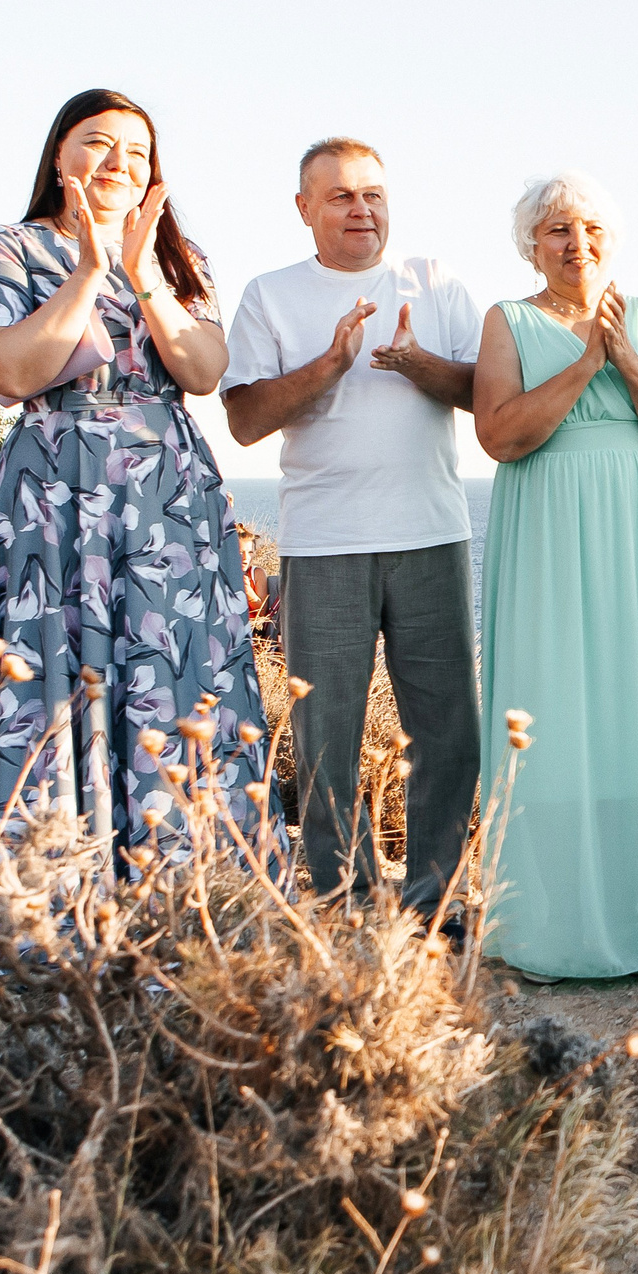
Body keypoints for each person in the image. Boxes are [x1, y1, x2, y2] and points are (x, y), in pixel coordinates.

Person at [0, 89, 281, 861]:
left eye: (137, 152)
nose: (117, 163)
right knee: (50, 668)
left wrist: (141, 274)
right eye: (99, 144)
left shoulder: (180, 258)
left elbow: (203, 372)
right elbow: (11, 368)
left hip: (164, 493)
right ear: (60, 154)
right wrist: (88, 271)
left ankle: (184, 872)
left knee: (177, 665)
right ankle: (56, 873)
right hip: (54, 484)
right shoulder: (12, 246)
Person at [223, 138, 483, 921]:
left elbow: (482, 391)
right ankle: (345, 895)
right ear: (304, 208)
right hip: (323, 539)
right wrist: (330, 366)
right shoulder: (269, 294)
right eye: (340, 195)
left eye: (373, 193)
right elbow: (242, 419)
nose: (361, 208)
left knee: (448, 728)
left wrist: (414, 363)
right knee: (326, 731)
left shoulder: (434, 282)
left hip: (431, 533)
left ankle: (436, 898)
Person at [472, 173, 638, 978]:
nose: (577, 243)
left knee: (631, 701)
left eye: (590, 228)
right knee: (549, 705)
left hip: (637, 527)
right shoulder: (507, 321)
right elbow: (500, 436)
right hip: (547, 526)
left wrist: (626, 360)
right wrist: (584, 364)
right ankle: (550, 915)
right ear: (531, 246)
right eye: (557, 231)